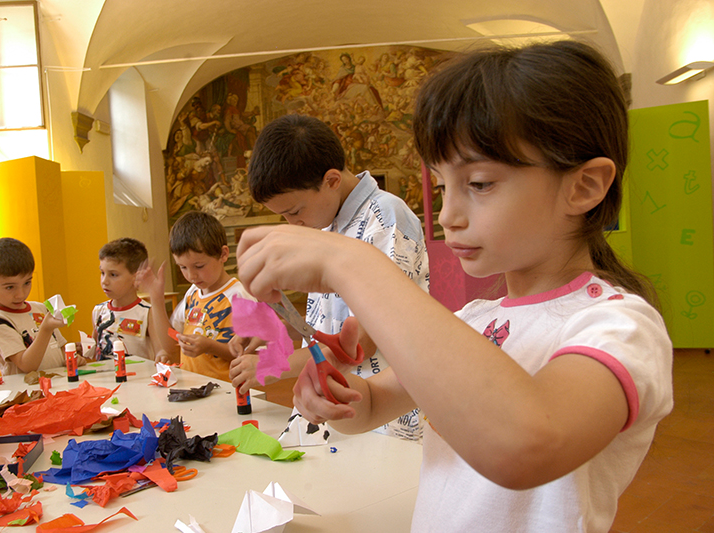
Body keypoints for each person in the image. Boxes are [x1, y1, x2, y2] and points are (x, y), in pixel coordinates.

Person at [234, 40, 674, 532]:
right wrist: (337, 397)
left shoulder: (619, 327)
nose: (447, 216)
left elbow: (526, 446)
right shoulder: (476, 322)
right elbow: (374, 404)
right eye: (443, 187)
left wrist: (350, 264)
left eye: (480, 184)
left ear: (584, 186)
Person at [230, 113, 429, 441]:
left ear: (332, 180)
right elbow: (329, 321)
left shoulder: (384, 217)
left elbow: (361, 341)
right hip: (339, 404)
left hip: (383, 413)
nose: (293, 223)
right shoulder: (329, 223)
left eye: (294, 212)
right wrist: (275, 333)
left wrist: (273, 364)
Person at [138, 210, 255, 380]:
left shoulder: (241, 297)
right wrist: (156, 299)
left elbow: (251, 355)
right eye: (182, 267)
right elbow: (172, 344)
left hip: (228, 394)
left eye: (199, 266)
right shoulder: (192, 293)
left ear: (223, 254)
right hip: (193, 388)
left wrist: (210, 346)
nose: (191, 276)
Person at [0, 237, 67, 375]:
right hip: (26, 393)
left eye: (27, 283)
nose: (20, 294)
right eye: (10, 287)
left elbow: (60, 348)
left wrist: (71, 358)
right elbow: (26, 365)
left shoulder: (40, 308)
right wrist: (45, 329)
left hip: (57, 385)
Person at [88, 238, 172, 362]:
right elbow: (93, 348)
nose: (104, 281)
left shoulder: (148, 314)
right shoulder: (98, 311)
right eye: (102, 273)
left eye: (113, 275)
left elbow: (161, 350)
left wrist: (163, 355)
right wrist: (82, 349)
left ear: (136, 276)